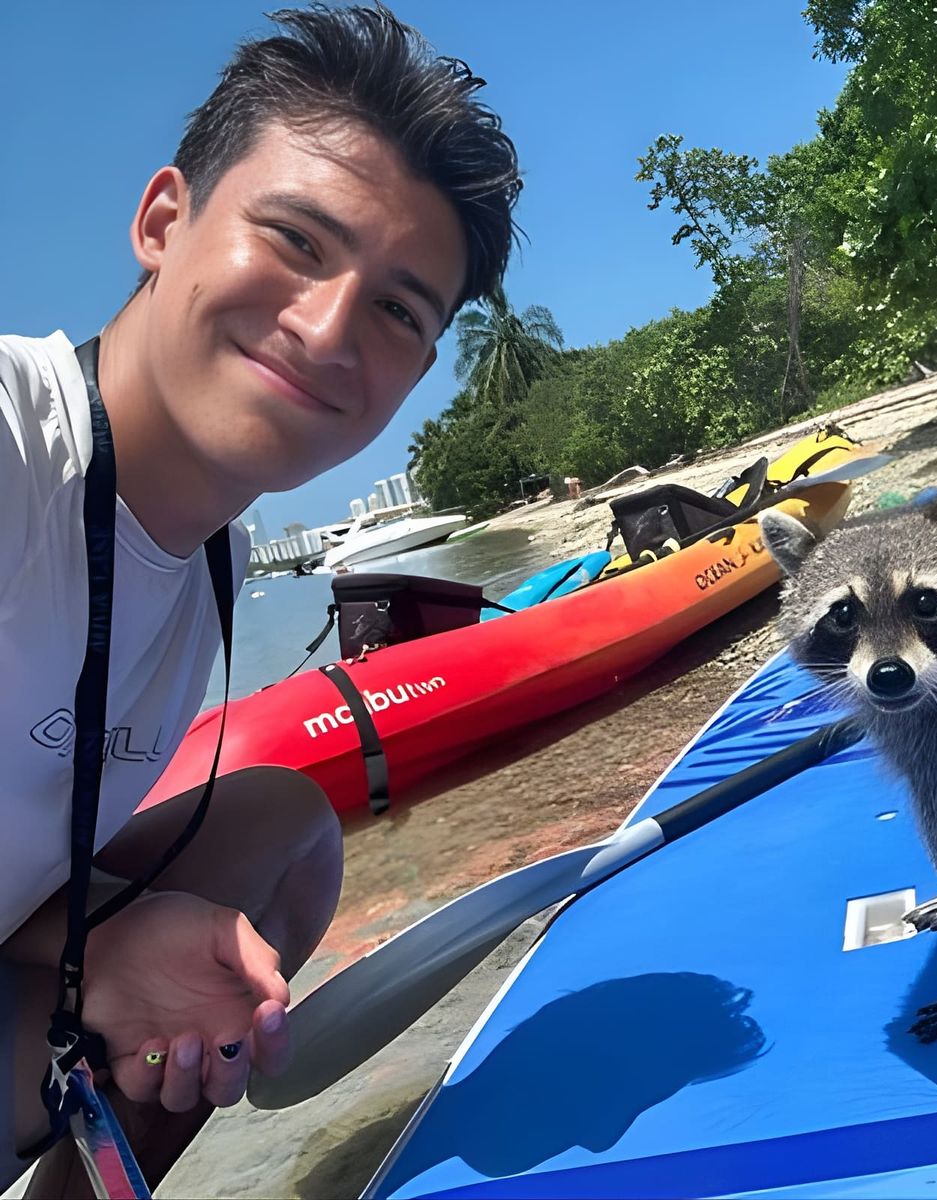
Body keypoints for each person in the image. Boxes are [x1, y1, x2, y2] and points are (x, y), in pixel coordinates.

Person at [0, 5, 519, 1195]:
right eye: (295, 239)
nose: (328, 329)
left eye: (397, 309)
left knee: (282, 827)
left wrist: (99, 951)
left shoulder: (217, 563)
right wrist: (91, 961)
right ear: (163, 221)